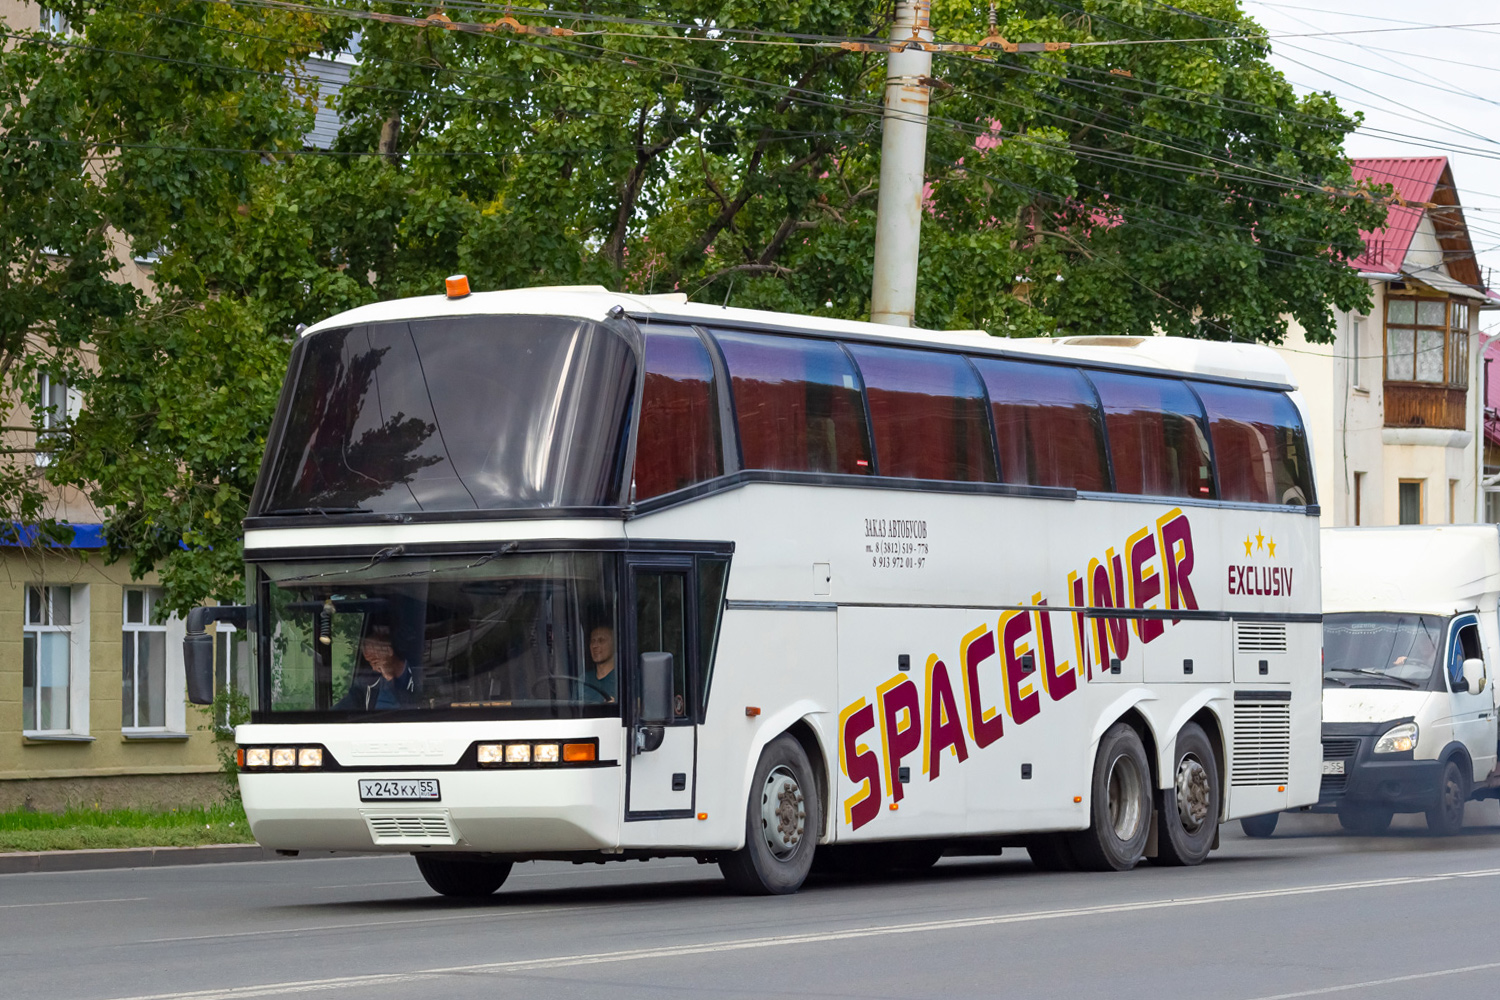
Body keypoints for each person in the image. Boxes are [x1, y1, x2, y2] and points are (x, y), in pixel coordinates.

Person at [346, 620, 420, 710]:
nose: (373, 668)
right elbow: (344, 706)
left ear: (389, 651)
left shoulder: (419, 675)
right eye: (370, 663)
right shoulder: (366, 683)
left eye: (374, 661)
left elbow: (413, 709)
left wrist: (390, 678)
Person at [584, 624, 617, 703]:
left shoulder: (627, 678)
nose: (595, 646)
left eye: (601, 640)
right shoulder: (583, 680)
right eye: (592, 641)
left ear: (614, 644)